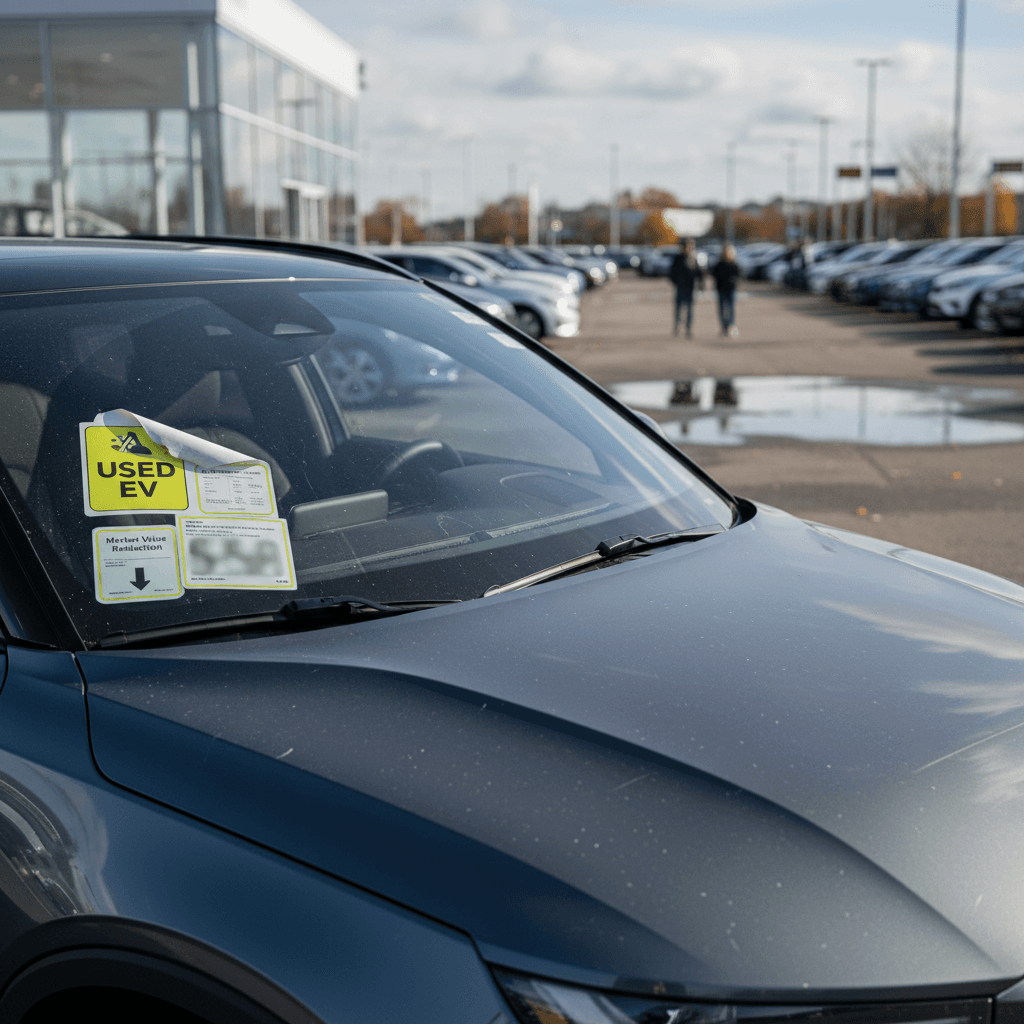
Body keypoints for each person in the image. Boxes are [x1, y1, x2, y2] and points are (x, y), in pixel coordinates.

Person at [668, 238, 703, 338]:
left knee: (690, 309)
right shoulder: (678, 258)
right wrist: (676, 282)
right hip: (680, 287)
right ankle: (677, 326)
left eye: (690, 246)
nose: (688, 248)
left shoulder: (693, 258)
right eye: (687, 246)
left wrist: (701, 283)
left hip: (691, 287)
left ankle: (688, 328)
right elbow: (671, 272)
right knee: (679, 309)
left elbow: (699, 273)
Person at [712, 244, 740, 336]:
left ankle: (731, 325)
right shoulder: (719, 264)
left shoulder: (734, 264)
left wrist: (734, 281)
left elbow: (738, 275)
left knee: (731, 309)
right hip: (721, 289)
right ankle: (724, 327)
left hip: (731, 289)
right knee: (722, 309)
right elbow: (714, 274)